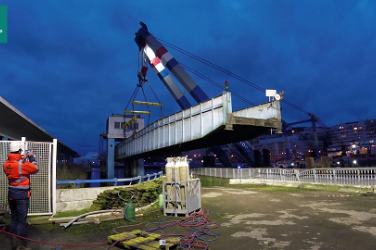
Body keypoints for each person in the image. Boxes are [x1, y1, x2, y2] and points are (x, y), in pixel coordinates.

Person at [3, 141, 38, 250]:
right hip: (22, 195)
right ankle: (21, 246)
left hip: (12, 194)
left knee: (14, 220)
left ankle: (14, 244)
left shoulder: (6, 163)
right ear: (19, 150)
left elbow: (16, 167)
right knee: (21, 222)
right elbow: (35, 168)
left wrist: (22, 157)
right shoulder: (22, 164)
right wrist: (31, 157)